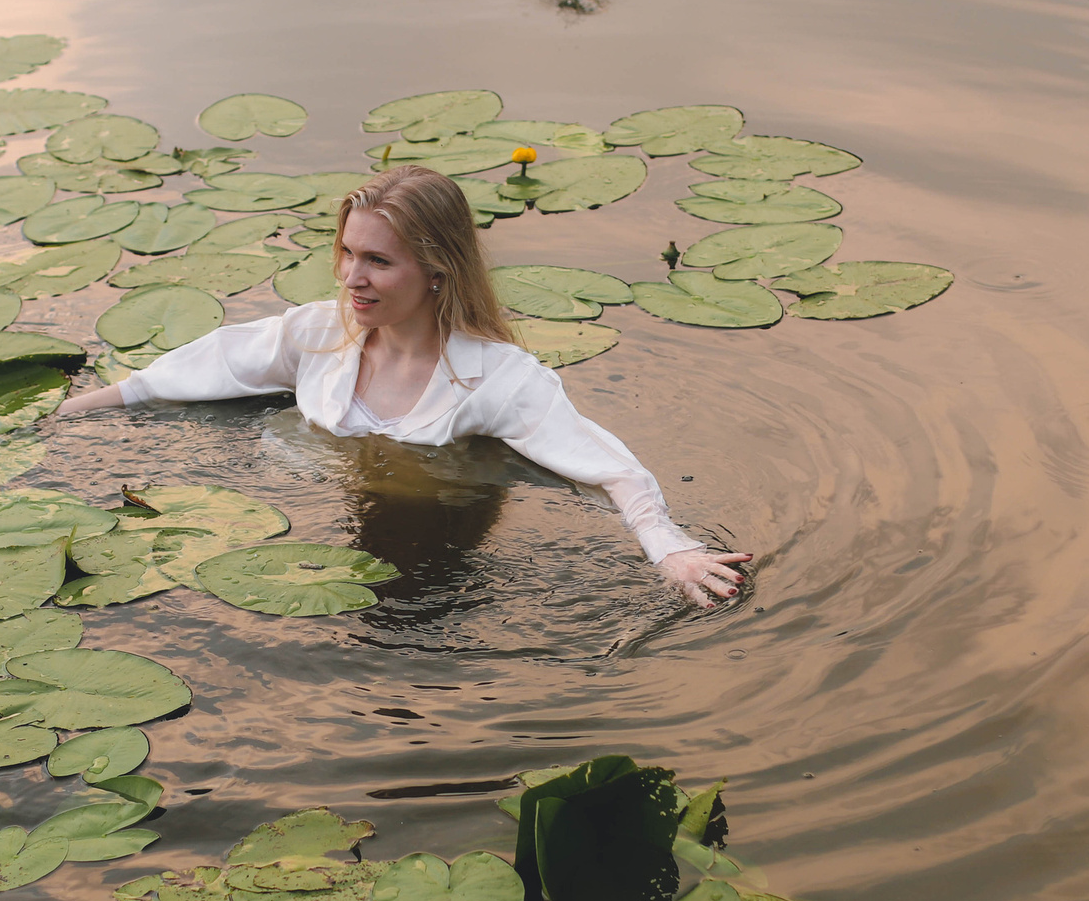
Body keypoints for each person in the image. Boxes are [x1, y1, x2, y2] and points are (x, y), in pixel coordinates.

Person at [55, 165, 752, 606]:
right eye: (348, 254)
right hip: (328, 536)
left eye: (378, 262)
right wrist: (76, 411)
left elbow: (609, 468)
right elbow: (200, 369)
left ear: (437, 271)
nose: (352, 278)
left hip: (446, 544)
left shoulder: (496, 378)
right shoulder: (319, 336)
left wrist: (673, 549)